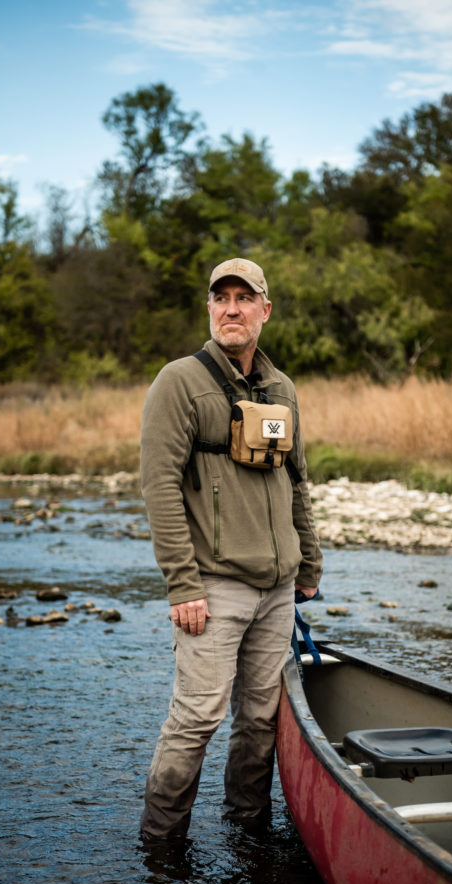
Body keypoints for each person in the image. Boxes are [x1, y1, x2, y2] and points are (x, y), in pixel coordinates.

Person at [139, 257, 322, 840]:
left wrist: (309, 561)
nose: (232, 309)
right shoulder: (178, 382)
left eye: (245, 298)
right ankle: (161, 844)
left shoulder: (282, 388)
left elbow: (296, 481)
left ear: (265, 310)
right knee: (196, 719)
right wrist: (182, 584)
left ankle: (248, 830)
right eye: (222, 298)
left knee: (261, 722)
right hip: (212, 588)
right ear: (210, 307)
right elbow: (159, 485)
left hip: (276, 591)